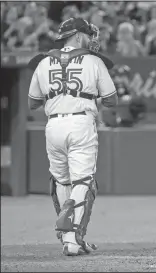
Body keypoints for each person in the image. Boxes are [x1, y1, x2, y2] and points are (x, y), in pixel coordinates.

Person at [27, 18, 118, 256]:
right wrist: (86, 93)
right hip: (81, 123)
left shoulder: (44, 61)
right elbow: (111, 99)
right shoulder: (94, 61)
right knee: (83, 182)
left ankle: (68, 238)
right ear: (77, 36)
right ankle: (75, 236)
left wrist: (59, 93)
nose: (91, 39)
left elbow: (32, 103)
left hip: (53, 125)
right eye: (88, 35)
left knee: (61, 181)